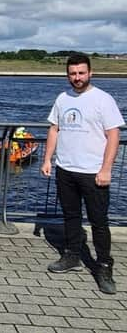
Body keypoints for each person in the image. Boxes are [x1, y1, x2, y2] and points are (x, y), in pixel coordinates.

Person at [40, 54, 124, 294]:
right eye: (72, 73)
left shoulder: (102, 100)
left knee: (99, 222)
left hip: (93, 172)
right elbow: (54, 129)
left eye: (81, 73)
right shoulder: (62, 98)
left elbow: (113, 135)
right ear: (68, 75)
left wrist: (107, 168)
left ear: (90, 73)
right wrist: (48, 159)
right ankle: (72, 255)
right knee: (71, 216)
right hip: (66, 169)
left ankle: (104, 266)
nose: (77, 78)